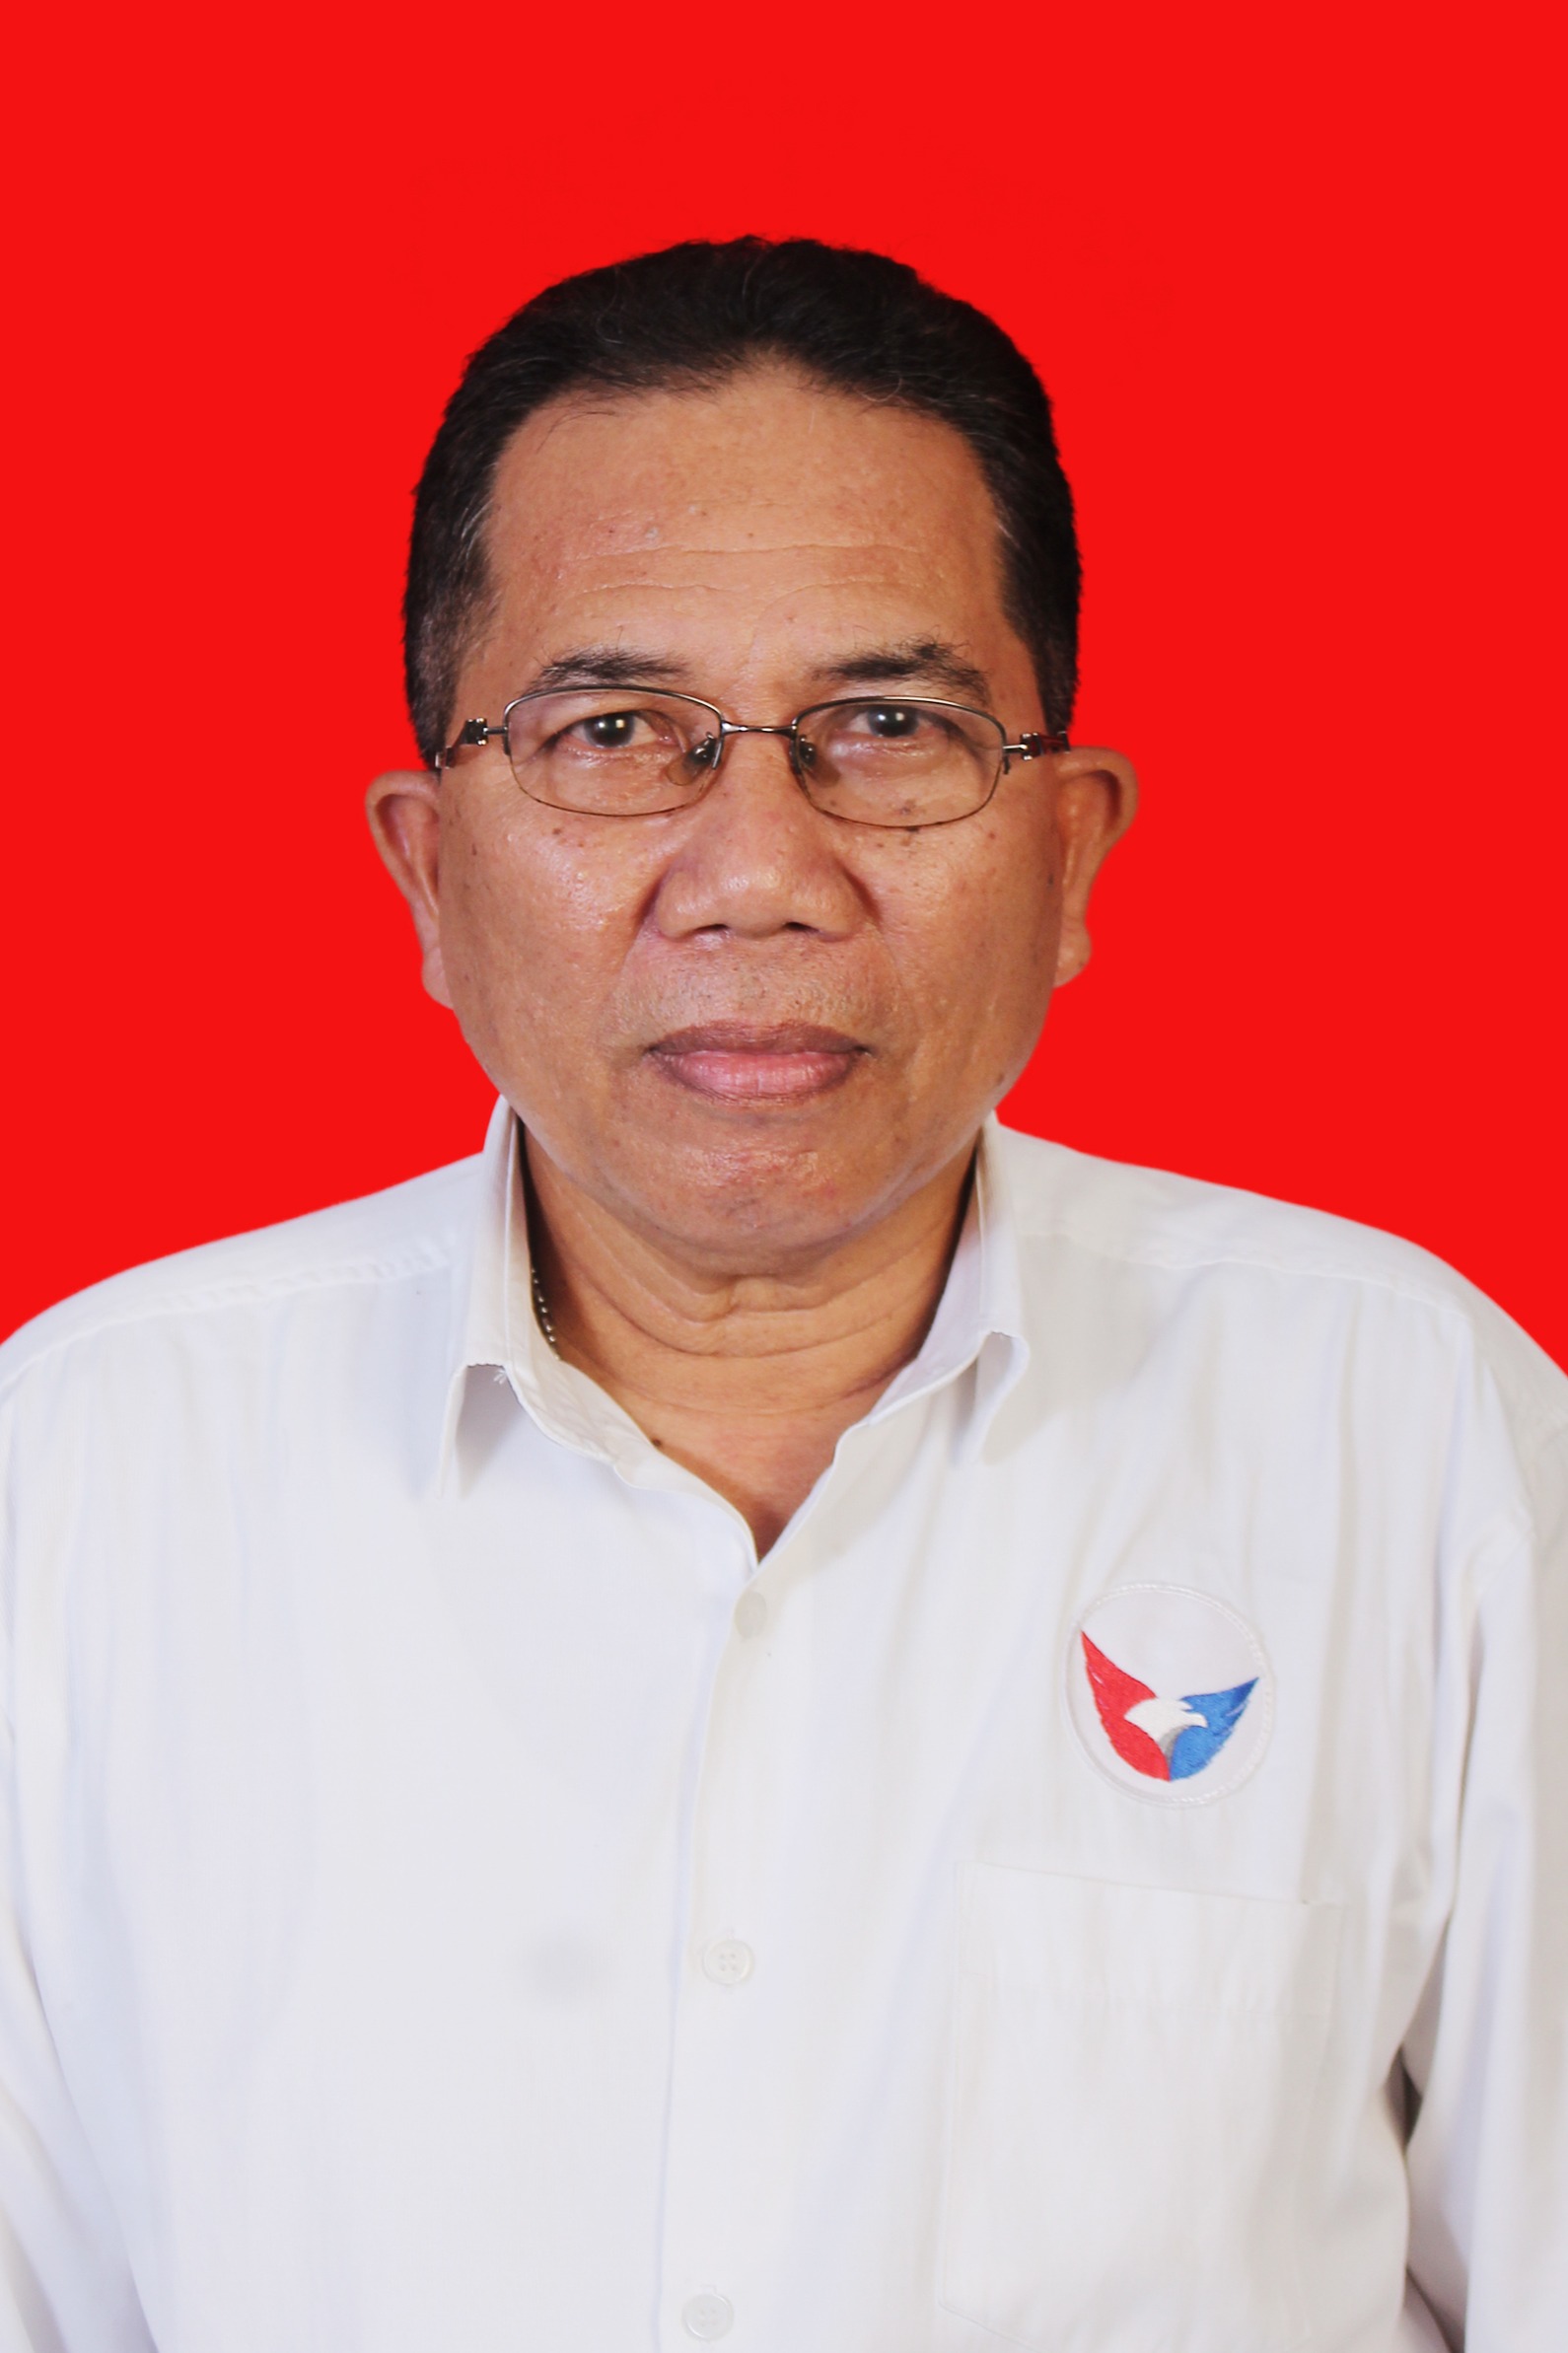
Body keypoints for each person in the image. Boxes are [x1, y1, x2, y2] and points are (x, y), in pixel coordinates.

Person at [0, 238, 1561, 2353]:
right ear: (428, 871)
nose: (755, 873)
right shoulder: (81, 1483)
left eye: (885, 725)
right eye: (615, 730)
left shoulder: (1409, 1435)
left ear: (1070, 850)